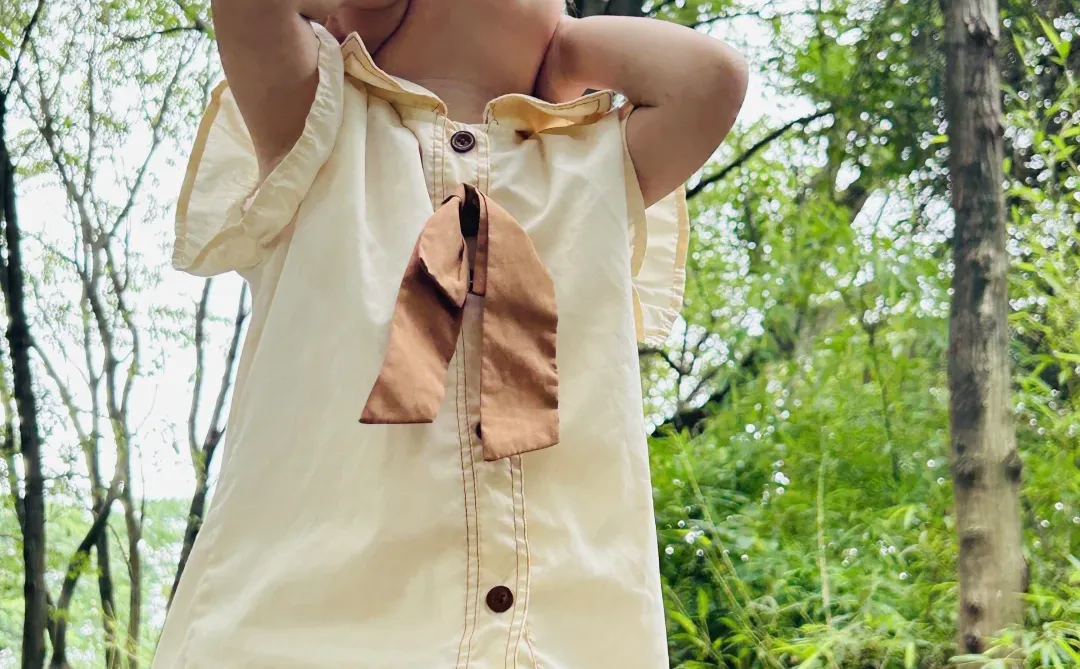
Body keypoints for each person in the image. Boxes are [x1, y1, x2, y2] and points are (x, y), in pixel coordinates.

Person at [153, 0, 748, 666]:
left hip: (560, 639)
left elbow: (712, 77)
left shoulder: (595, 162)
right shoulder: (318, 122)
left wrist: (567, 54)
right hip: (306, 633)